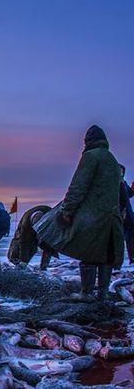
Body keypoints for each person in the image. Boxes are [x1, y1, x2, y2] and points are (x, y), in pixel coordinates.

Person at [58, 125, 123, 301]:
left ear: (88, 141)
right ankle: (102, 294)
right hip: (112, 217)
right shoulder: (112, 159)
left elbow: (79, 185)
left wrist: (67, 209)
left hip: (93, 216)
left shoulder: (90, 156)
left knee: (88, 254)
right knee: (106, 256)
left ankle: (86, 293)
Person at [7, 205, 56, 270]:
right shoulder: (25, 226)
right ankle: (21, 263)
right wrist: (23, 261)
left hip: (46, 227)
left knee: (48, 246)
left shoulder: (51, 216)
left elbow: (49, 245)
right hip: (26, 234)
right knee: (20, 252)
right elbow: (23, 243)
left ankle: (44, 268)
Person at [119, 165, 134, 264]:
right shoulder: (115, 183)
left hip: (128, 213)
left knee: (130, 235)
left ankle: (132, 257)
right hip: (122, 213)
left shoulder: (123, 182)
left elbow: (130, 194)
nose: (122, 173)